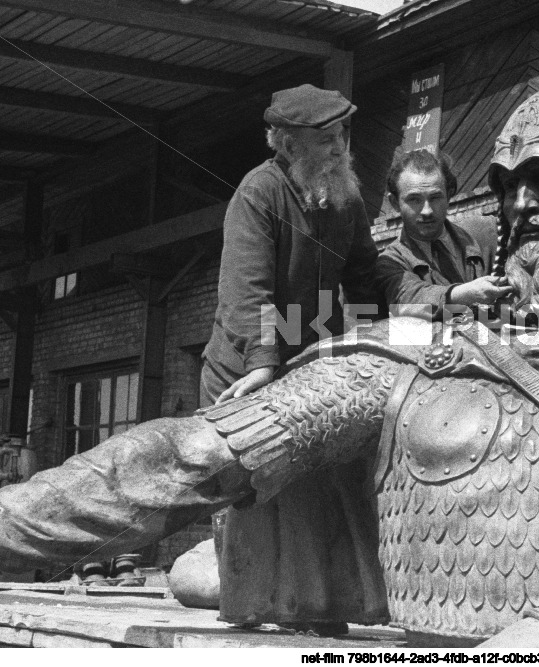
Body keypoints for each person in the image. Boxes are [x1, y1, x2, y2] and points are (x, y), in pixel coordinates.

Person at [0, 61, 539, 647]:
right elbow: (188, 453)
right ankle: (237, 560)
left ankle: (239, 562)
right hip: (257, 357)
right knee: (212, 487)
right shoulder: (279, 218)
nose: (532, 208)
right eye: (514, 190)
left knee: (214, 561)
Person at [196, 83, 385, 633]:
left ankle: (320, 610)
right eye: (324, 138)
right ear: (286, 144)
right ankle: (254, 608)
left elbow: (364, 277)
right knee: (255, 495)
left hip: (310, 365)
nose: (338, 147)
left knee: (322, 489)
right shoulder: (258, 193)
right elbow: (246, 290)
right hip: (244, 372)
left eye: (342, 135)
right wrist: (262, 362)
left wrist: (377, 338)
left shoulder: (346, 195)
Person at [374, 149, 511, 314]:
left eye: (435, 198)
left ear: (449, 195)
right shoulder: (390, 262)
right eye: (414, 200)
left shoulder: (487, 233)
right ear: (395, 203)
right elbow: (409, 297)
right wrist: (463, 294)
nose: (427, 211)